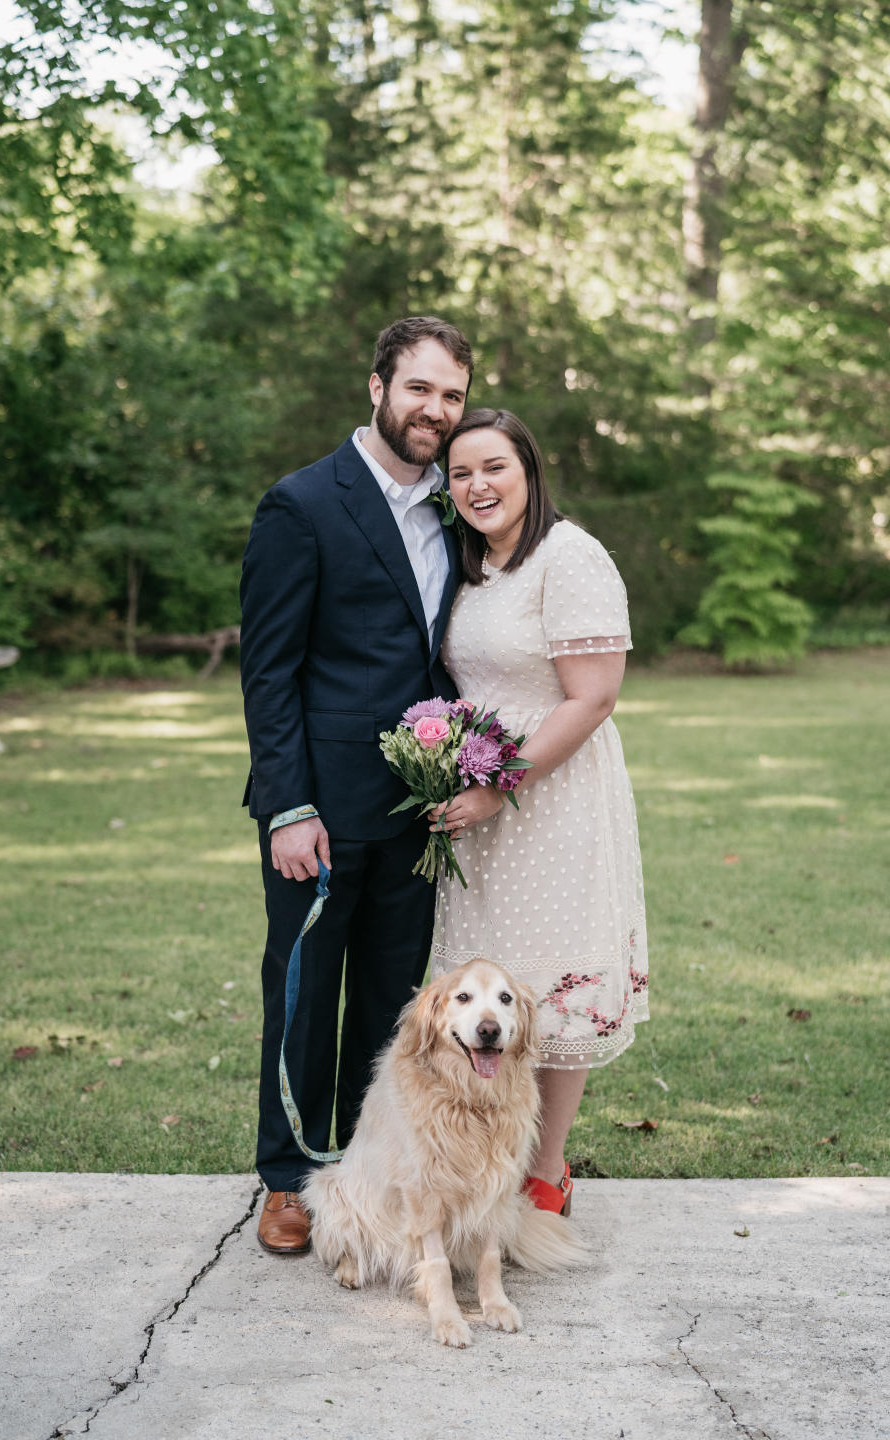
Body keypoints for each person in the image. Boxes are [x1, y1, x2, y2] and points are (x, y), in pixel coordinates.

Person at [240, 316, 473, 1255]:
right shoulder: (302, 504)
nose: (436, 410)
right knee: (303, 999)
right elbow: (270, 671)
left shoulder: (459, 508)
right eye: (419, 388)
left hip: (419, 817)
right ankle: (291, 1179)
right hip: (321, 814)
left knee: (391, 1005)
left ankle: (370, 1173)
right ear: (375, 386)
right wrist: (288, 807)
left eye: (452, 395)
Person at [429, 408, 648, 1216]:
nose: (478, 486)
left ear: (530, 470)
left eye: (495, 468)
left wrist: (498, 786)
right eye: (460, 474)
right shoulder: (472, 565)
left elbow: (593, 698)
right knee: (488, 983)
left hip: (550, 799)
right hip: (482, 810)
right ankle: (488, 1160)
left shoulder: (571, 558)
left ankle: (545, 1173)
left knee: (552, 982)